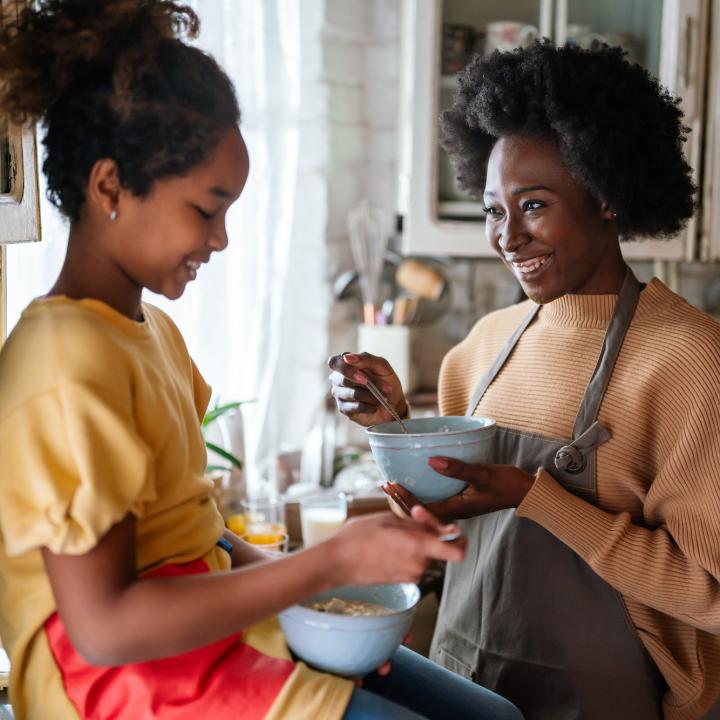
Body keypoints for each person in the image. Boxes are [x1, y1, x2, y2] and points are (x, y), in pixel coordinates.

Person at [0, 3, 526, 720]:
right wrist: (332, 562)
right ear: (109, 187)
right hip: (126, 689)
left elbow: (197, 539)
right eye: (206, 208)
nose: (220, 240)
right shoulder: (64, 362)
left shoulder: (149, 331)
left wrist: (329, 584)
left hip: (212, 646)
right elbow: (104, 629)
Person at [330, 40, 720, 720]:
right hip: (467, 687)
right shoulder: (479, 349)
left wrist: (538, 497)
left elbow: (711, 593)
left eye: (533, 205)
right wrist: (396, 433)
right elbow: (441, 538)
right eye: (492, 210)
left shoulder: (690, 358)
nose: (508, 236)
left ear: (605, 194)